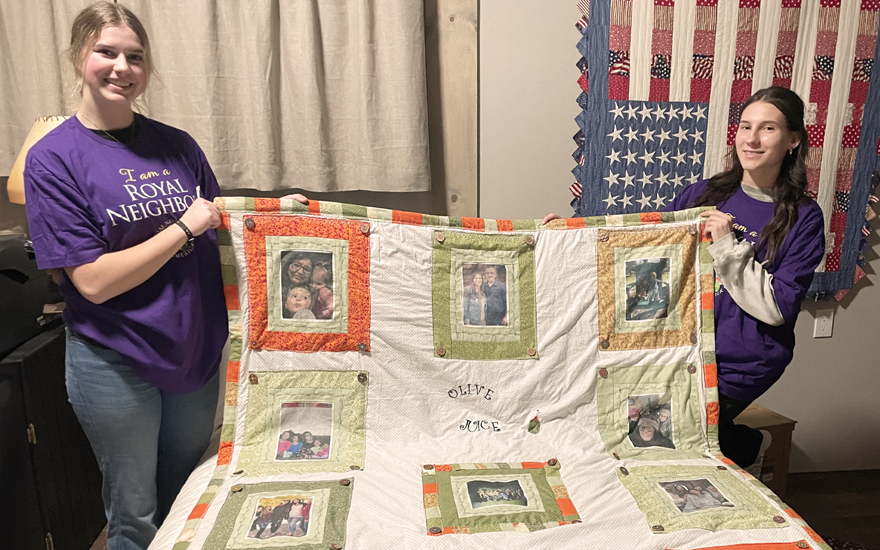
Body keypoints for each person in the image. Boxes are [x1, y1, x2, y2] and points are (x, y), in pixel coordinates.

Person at [22, 4, 228, 549]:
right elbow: (91, 281)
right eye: (106, 52)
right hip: (115, 357)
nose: (122, 67)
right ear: (78, 58)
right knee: (134, 512)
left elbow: (218, 214)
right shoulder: (54, 158)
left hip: (194, 350)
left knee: (186, 491)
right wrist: (183, 227)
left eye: (134, 56)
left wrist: (284, 213)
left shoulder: (177, 145)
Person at [666, 87, 825, 471]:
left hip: (744, 360)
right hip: (685, 346)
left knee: (687, 439)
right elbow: (639, 242)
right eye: (745, 126)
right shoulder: (704, 193)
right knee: (653, 433)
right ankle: (739, 441)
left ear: (792, 140)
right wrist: (568, 234)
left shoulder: (804, 217)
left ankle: (741, 447)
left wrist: (726, 246)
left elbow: (776, 308)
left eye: (767, 128)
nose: (751, 139)